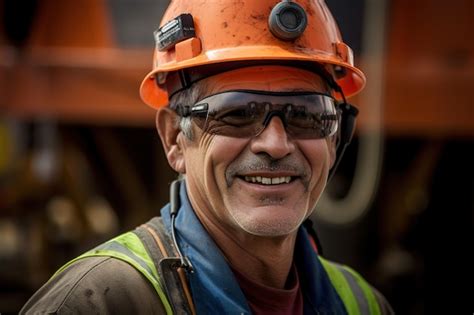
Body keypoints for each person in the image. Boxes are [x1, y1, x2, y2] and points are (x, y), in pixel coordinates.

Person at [21, 0, 394, 314]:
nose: (276, 144)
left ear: (334, 138)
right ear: (174, 139)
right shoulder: (97, 303)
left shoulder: (363, 304)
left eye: (306, 115)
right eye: (235, 114)